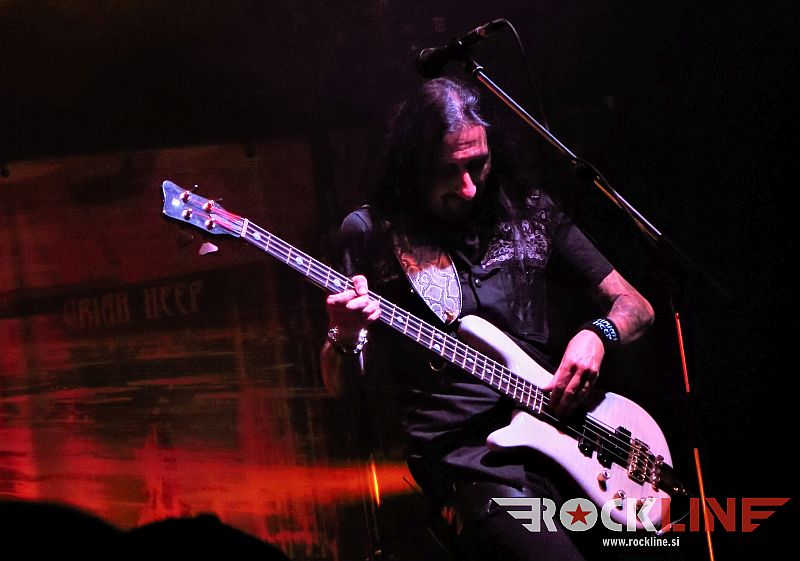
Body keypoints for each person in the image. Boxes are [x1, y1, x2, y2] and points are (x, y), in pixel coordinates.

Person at [320, 77, 655, 560]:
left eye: (477, 163)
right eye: (447, 170)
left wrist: (597, 335)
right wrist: (346, 334)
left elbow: (635, 306)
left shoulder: (529, 212)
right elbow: (339, 386)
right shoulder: (372, 233)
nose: (468, 187)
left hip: (570, 443)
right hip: (472, 466)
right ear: (412, 166)